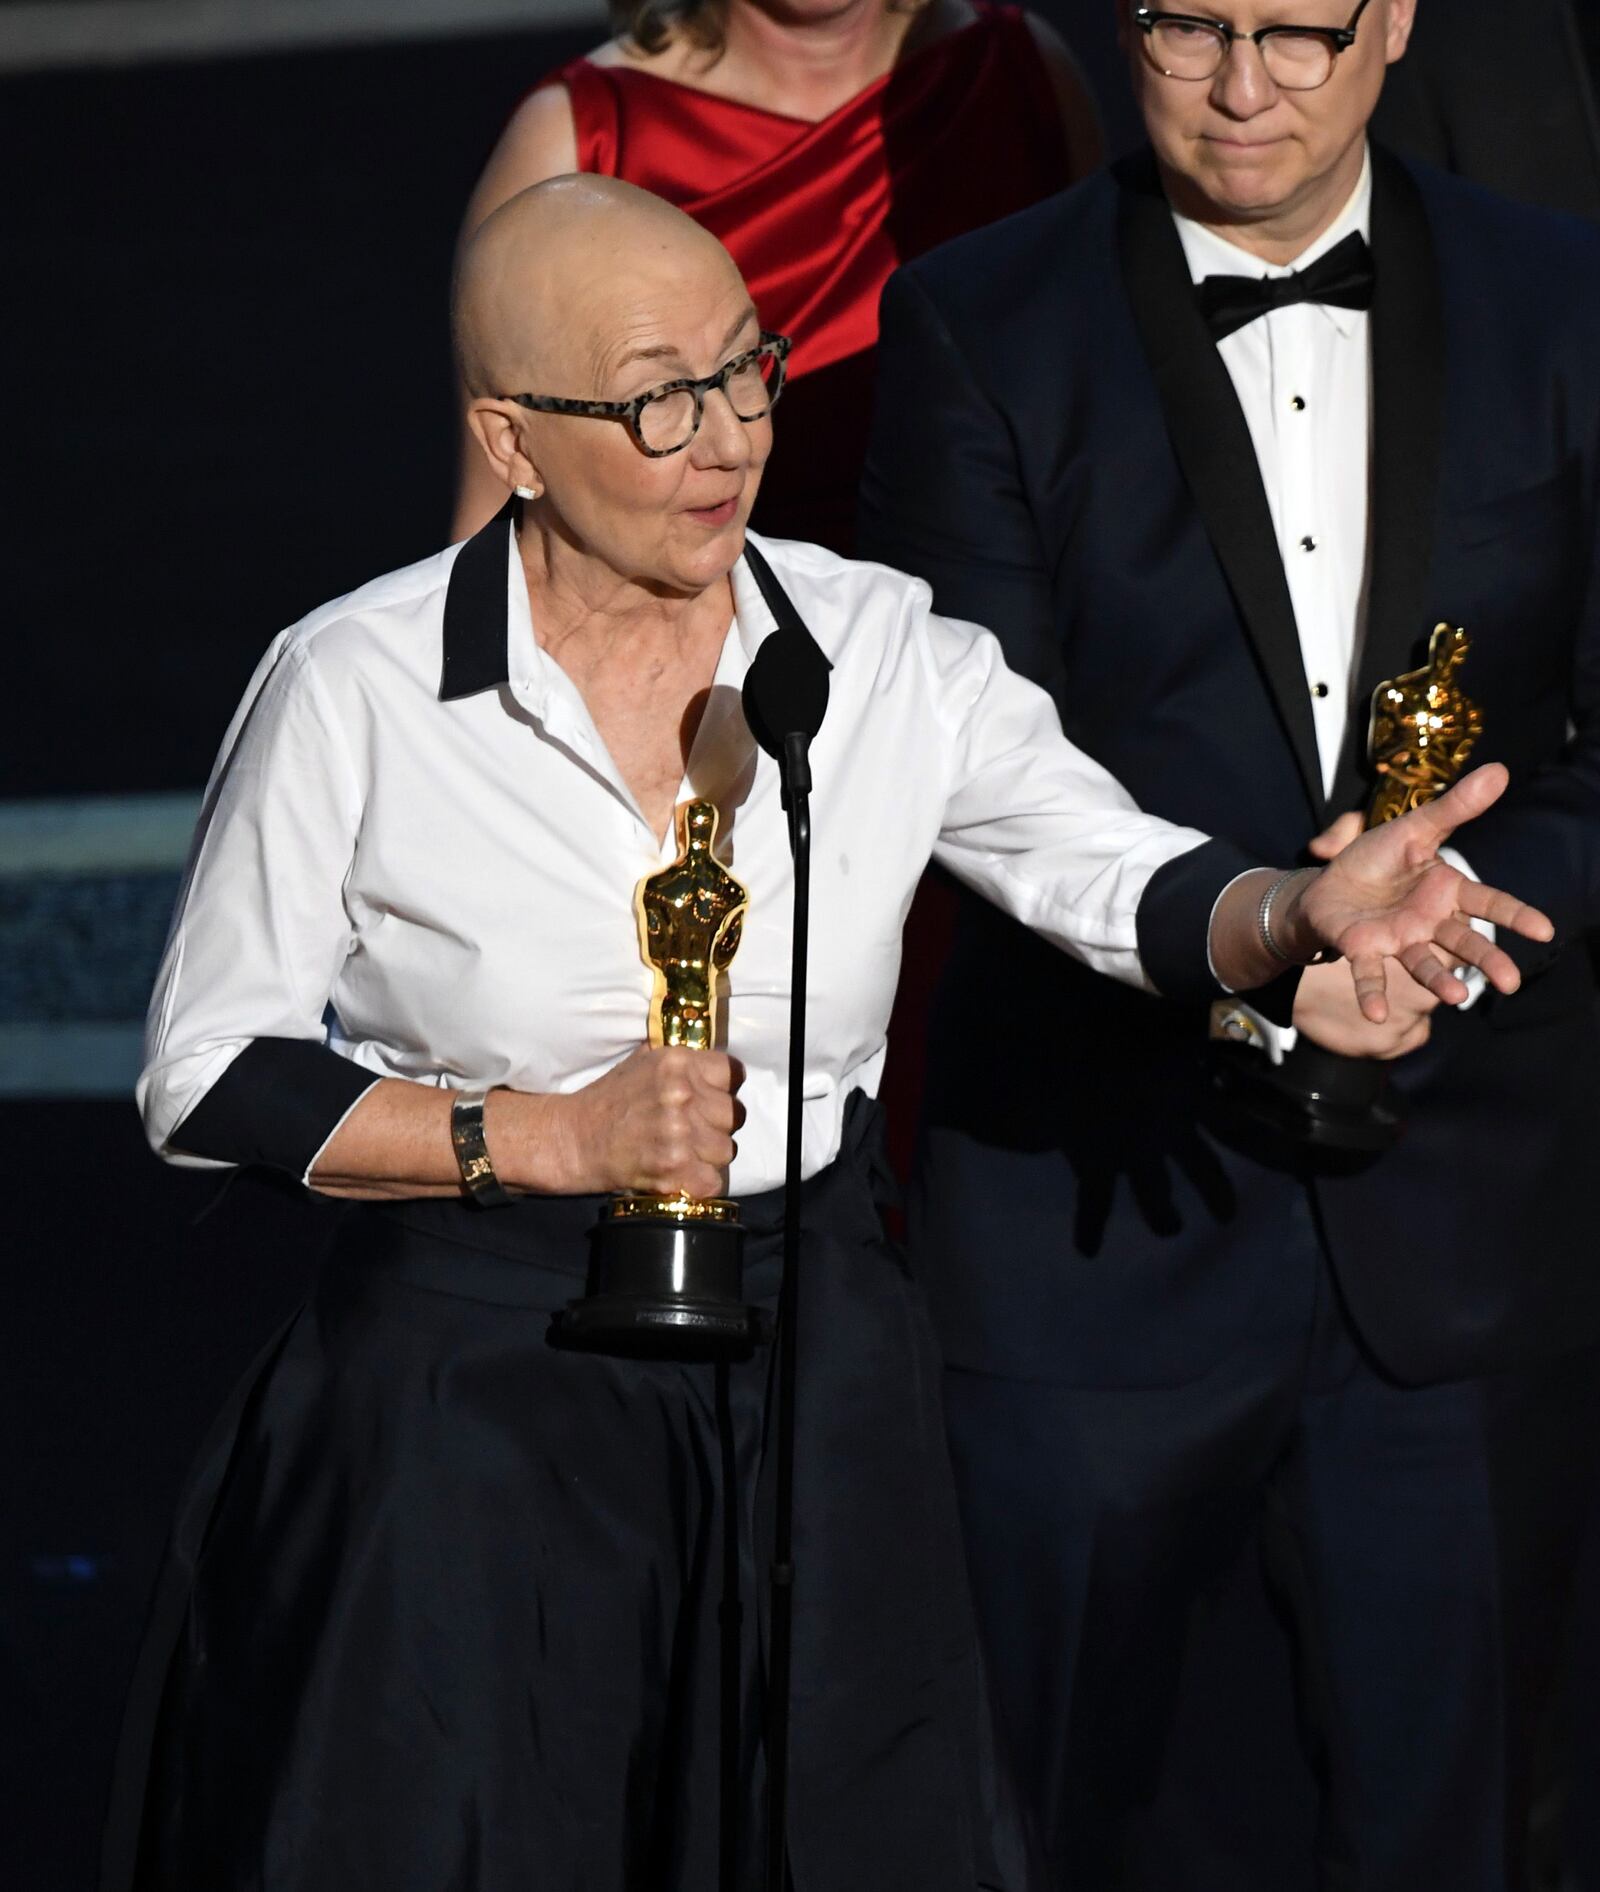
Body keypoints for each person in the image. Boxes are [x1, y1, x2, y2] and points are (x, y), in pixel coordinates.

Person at [100, 176, 1542, 1892]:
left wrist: (1289, 918)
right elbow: (209, 1070)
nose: (723, 440)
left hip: (809, 1358)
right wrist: (540, 1137)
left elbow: (1106, 870)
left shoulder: (872, 645)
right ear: (513, 436)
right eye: (654, 399)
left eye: (747, 372)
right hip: (474, 1385)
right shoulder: (355, 680)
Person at [858, 1, 1600, 1887]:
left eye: (1299, 29)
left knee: (1460, 1840)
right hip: (1094, 1235)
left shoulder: (1566, 293)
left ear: (1397, 24)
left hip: (1461, 1248)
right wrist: (1267, 940)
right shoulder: (976, 320)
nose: (1247, 86)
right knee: (1046, 1831)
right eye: (1194, 26)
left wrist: (1453, 925)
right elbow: (972, 760)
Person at [451, 0, 1099, 552]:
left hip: (1011, 629)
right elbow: (497, 514)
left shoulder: (1021, 71)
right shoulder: (582, 138)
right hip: (720, 648)